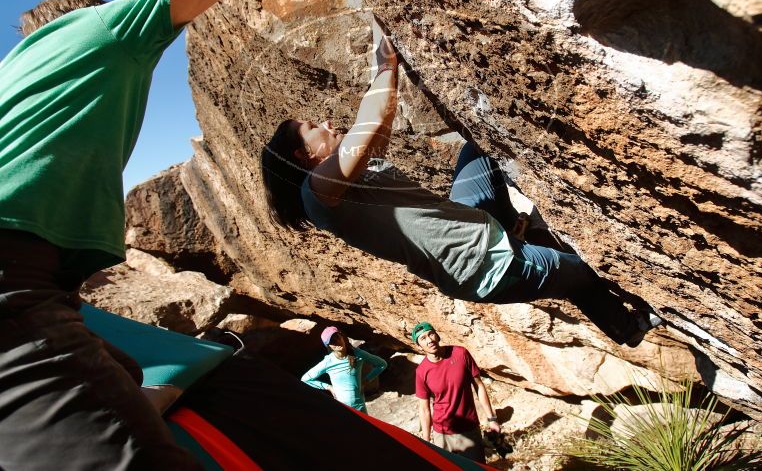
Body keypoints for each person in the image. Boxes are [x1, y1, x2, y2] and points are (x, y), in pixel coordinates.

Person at [0, 0, 337, 468]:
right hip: (13, 278)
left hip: (41, 285)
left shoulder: (11, 73)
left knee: (126, 374)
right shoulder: (103, 29)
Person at [260, 20, 662, 348]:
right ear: (303, 156)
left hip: (473, 220)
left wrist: (380, 27)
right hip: (484, 265)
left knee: (477, 145)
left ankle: (517, 224)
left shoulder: (348, 174)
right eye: (314, 128)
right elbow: (372, 117)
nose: (327, 124)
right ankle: (626, 327)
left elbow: (378, 123)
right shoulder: (315, 193)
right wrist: (387, 67)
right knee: (579, 270)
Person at [413, 322, 498, 463]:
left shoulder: (460, 353)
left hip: (469, 428)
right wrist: (426, 441)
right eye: (422, 338)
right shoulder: (422, 371)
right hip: (442, 433)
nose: (429, 340)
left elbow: (479, 386)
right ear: (419, 346)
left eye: (430, 334)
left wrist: (492, 419)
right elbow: (424, 409)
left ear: (437, 335)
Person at [300, 326, 388, 414]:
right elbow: (305, 379)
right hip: (342, 408)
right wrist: (328, 387)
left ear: (342, 336)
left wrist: (365, 381)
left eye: (337, 337)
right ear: (329, 346)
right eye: (332, 341)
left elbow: (382, 364)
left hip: (359, 406)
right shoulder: (328, 362)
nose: (337, 342)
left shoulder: (358, 354)